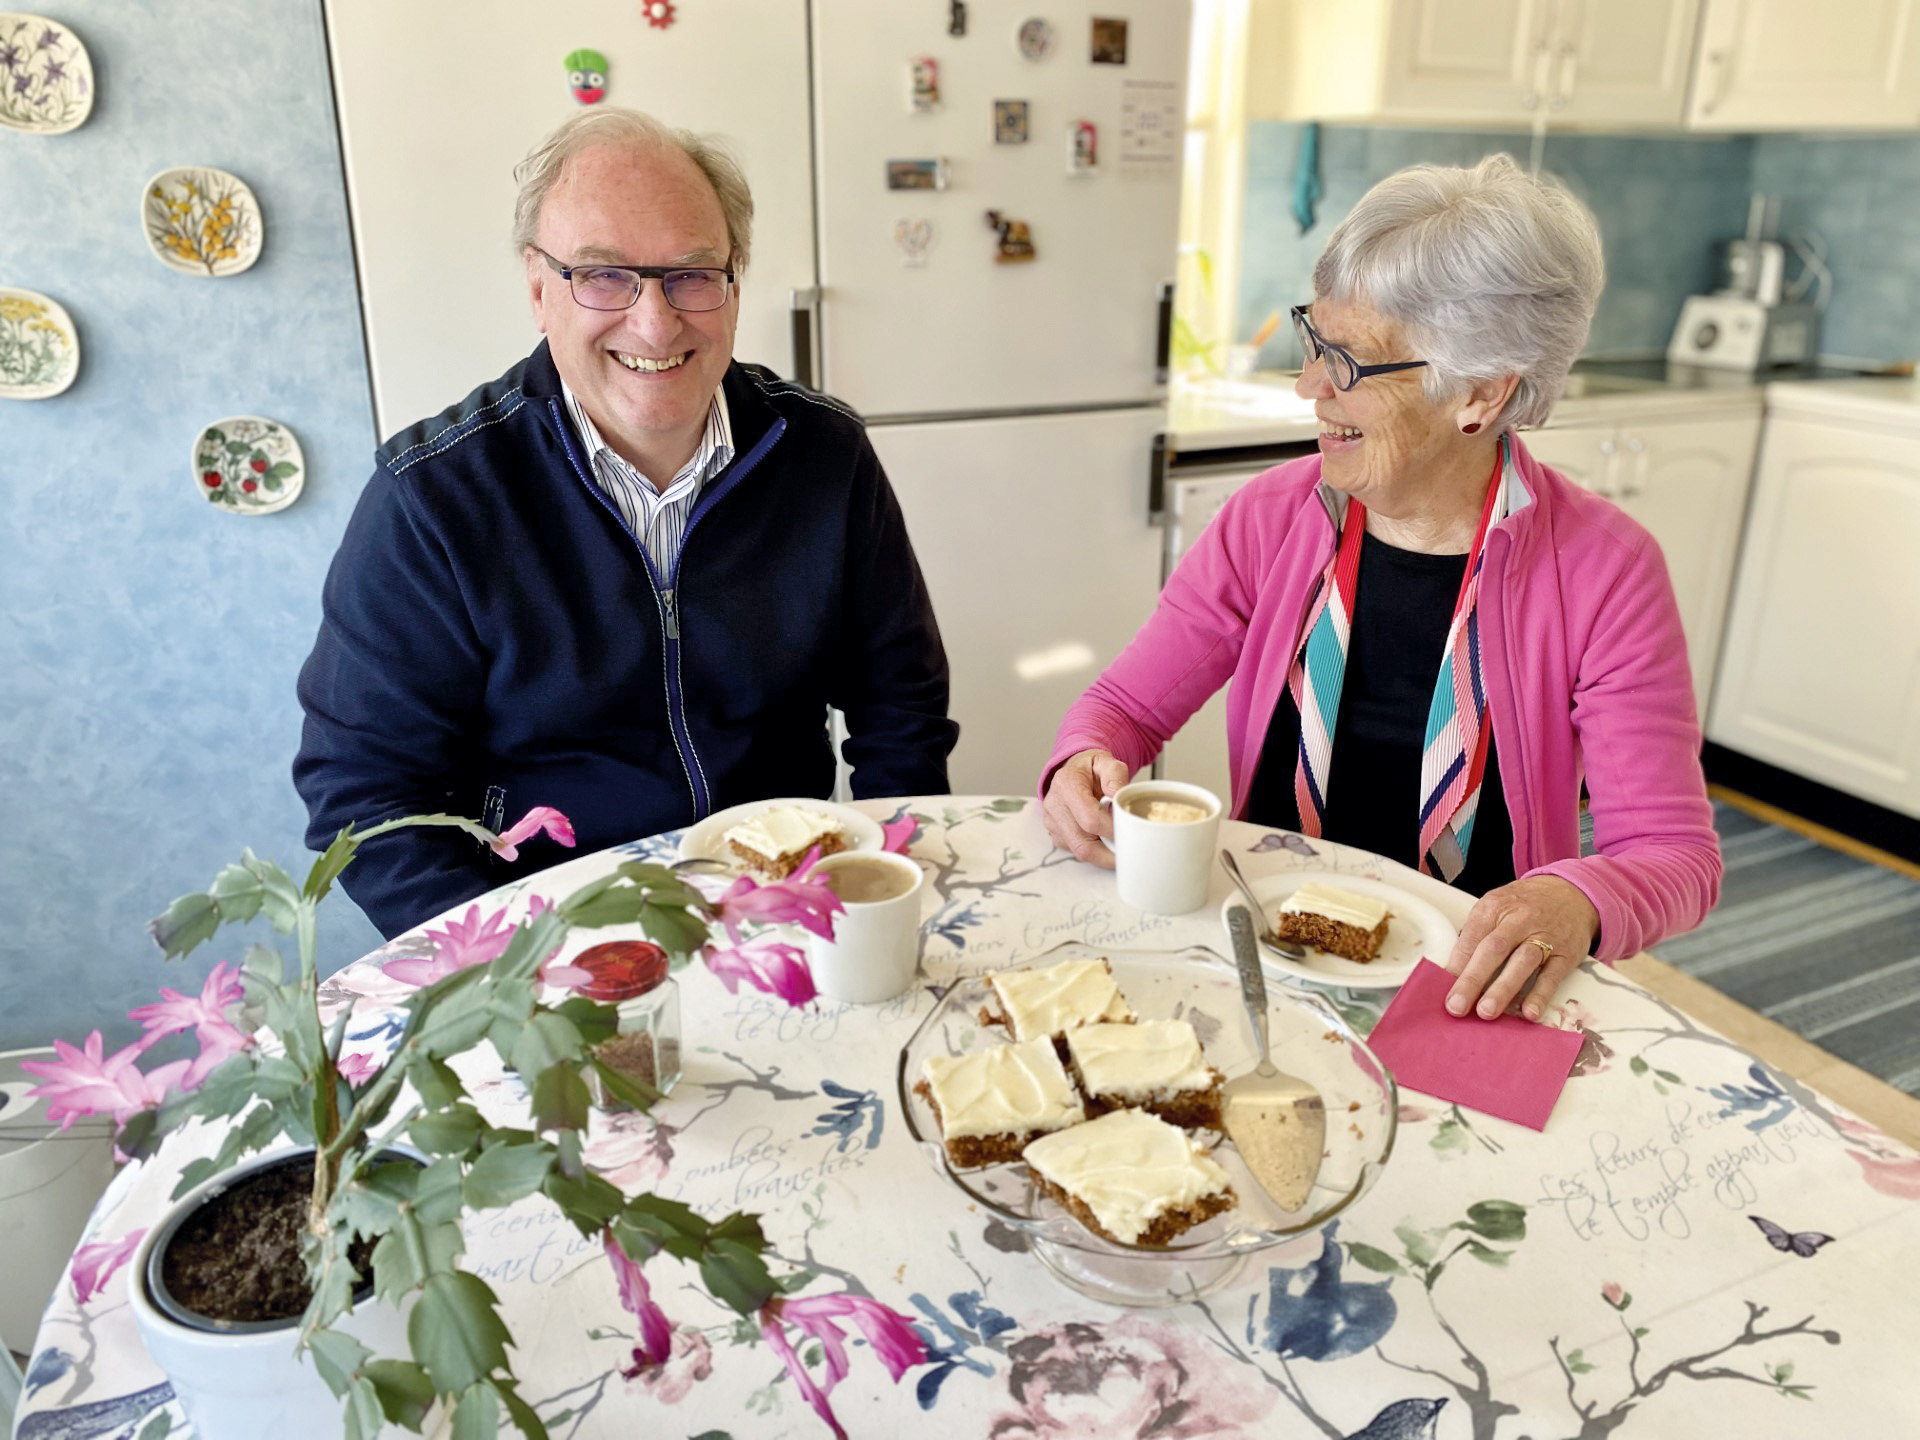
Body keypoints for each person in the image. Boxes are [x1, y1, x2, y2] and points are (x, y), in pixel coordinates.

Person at [1040, 155, 1720, 1024]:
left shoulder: (1606, 570)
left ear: (1479, 394)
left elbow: (1672, 855)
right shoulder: (1268, 518)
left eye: (1349, 365)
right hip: (1263, 938)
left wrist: (1580, 901)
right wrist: (1083, 760)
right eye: (1312, 343)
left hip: (1472, 978)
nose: (1308, 388)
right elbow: (1124, 708)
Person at [296, 107, 956, 938]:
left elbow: (902, 707)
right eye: (603, 276)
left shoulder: (825, 454)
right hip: (547, 932)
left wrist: (883, 877)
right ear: (539, 288)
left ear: (734, 284)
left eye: (691, 274)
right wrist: (510, 976)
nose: (655, 321)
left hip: (783, 905)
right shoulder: (432, 500)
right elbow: (366, 800)